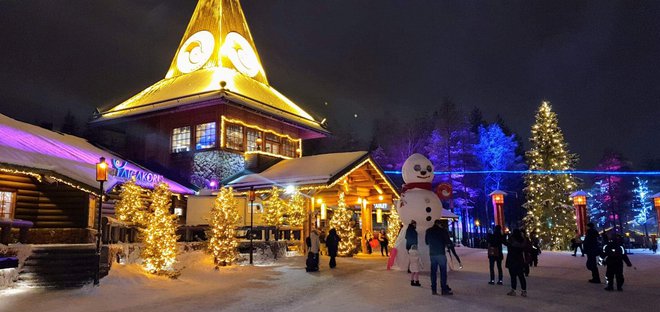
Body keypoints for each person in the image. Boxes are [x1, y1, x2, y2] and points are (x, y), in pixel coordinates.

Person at [425, 219, 452, 295]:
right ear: (440, 224)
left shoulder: (428, 231)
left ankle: (434, 289)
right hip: (441, 253)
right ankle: (443, 289)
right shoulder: (443, 231)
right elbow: (448, 241)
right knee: (443, 272)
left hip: (432, 253)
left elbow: (426, 242)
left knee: (433, 272)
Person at [504, 229, 528, 297]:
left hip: (512, 260)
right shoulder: (522, 241)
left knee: (513, 276)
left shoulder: (511, 240)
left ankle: (513, 290)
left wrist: (505, 234)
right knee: (521, 276)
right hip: (520, 260)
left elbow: (504, 242)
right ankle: (524, 291)